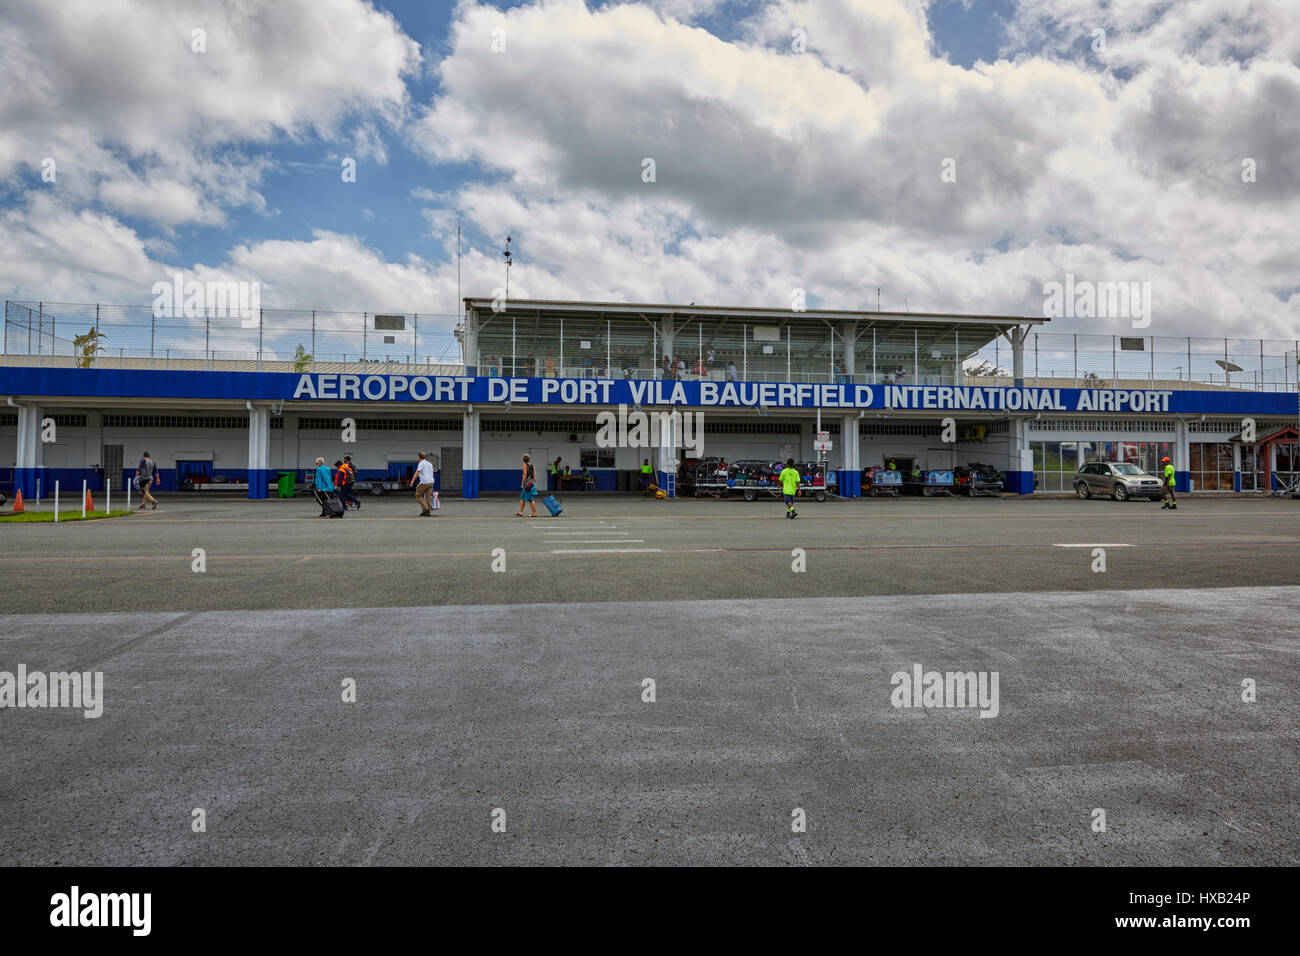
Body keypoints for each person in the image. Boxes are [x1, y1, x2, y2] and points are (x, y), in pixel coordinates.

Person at [410, 451, 435, 516]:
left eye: (417, 456)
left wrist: (412, 481)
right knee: (428, 497)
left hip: (424, 482)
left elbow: (417, 472)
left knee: (418, 496)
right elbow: (432, 473)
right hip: (431, 482)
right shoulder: (429, 464)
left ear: (419, 457)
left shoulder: (421, 463)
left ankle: (425, 507)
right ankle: (428, 512)